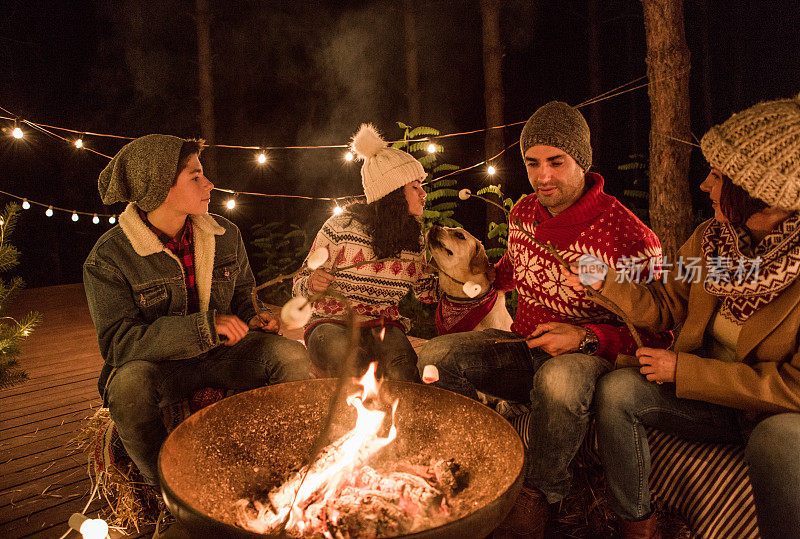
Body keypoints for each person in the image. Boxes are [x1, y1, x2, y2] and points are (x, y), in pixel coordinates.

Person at [417, 101, 671, 537]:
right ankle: (476, 466)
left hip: (588, 357)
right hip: (525, 345)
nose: (543, 176)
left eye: (557, 161)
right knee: (436, 358)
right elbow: (517, 270)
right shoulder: (523, 214)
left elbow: (658, 332)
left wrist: (586, 337)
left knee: (560, 381)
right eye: (533, 163)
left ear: (582, 161)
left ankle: (539, 493)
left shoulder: (627, 235)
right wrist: (476, 276)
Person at [562, 95, 800, 538]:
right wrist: (604, 279)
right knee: (617, 390)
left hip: (762, 415)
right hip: (705, 405)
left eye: (719, 177)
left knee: (780, 441)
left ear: (767, 202)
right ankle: (638, 523)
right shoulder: (713, 242)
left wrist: (685, 369)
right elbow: (668, 305)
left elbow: (794, 388)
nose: (706, 186)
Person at [83, 134, 312, 486]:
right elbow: (119, 343)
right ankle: (170, 490)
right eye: (195, 176)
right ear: (159, 187)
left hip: (224, 354)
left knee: (292, 357)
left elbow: (243, 294)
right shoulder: (109, 258)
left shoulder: (226, 234)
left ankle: (280, 468)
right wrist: (203, 328)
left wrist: (254, 315)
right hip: (161, 368)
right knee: (127, 392)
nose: (209, 183)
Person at [292, 124, 437, 382]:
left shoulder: (414, 240)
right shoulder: (341, 227)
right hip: (330, 322)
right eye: (416, 186)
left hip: (382, 324)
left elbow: (426, 291)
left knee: (403, 368)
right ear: (393, 192)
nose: (424, 194)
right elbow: (298, 286)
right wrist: (312, 282)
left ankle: (403, 421)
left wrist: (463, 277)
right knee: (348, 358)